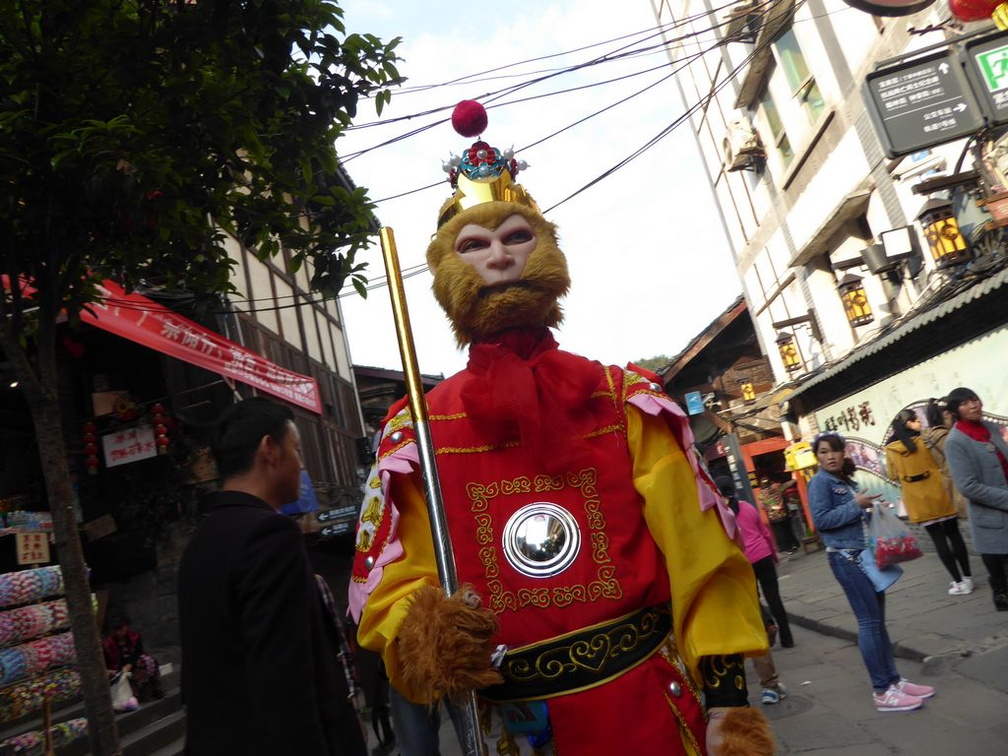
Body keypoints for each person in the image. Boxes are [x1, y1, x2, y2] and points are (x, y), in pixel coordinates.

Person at [349, 101, 774, 756]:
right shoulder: (417, 437)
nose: (498, 257)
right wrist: (428, 633)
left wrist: (728, 702)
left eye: (516, 236)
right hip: (517, 734)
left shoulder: (625, 399)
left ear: (546, 250)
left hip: (646, 709)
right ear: (447, 272)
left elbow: (701, 555)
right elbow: (389, 582)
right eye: (473, 245)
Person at [177, 397, 366, 756]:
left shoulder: (200, 543)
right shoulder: (270, 536)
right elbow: (286, 684)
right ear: (269, 450)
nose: (301, 464)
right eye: (296, 449)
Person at [807, 431, 936, 712]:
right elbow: (821, 521)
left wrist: (873, 509)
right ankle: (881, 691)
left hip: (864, 556)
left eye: (834, 451)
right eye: (823, 452)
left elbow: (852, 517)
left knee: (877, 622)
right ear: (818, 457)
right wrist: (855, 505)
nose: (830, 456)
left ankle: (893, 681)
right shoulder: (819, 483)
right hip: (845, 559)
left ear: (843, 452)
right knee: (868, 623)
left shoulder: (844, 480)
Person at [714, 476, 790, 705]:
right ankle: (783, 644)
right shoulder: (744, 507)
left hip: (736, 568)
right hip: (761, 557)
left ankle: (734, 693)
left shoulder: (715, 513)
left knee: (747, 612)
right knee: (770, 602)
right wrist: (774, 553)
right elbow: (764, 531)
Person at [885, 409, 973, 595]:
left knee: (938, 540)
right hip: (939, 492)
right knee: (954, 534)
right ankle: (968, 578)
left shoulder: (891, 449)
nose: (920, 423)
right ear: (908, 423)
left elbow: (892, 475)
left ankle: (958, 582)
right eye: (916, 420)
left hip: (917, 500)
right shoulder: (924, 440)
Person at [944, 387, 1008, 612]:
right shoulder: (955, 441)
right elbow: (968, 486)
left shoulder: (991, 428)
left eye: (974, 399)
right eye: (964, 403)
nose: (973, 405)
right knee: (1001, 574)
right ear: (955, 411)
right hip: (991, 516)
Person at [922, 399, 969, 520]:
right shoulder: (946, 437)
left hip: (950, 484)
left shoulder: (928, 437)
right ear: (946, 414)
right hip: (962, 483)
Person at [102, 612, 163, 702]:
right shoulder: (107, 644)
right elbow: (105, 661)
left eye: (120, 629)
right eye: (115, 630)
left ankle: (154, 688)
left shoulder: (134, 637)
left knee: (148, 661)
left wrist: (130, 664)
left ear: (126, 627)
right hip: (116, 670)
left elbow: (138, 653)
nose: (118, 633)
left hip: (132, 667)